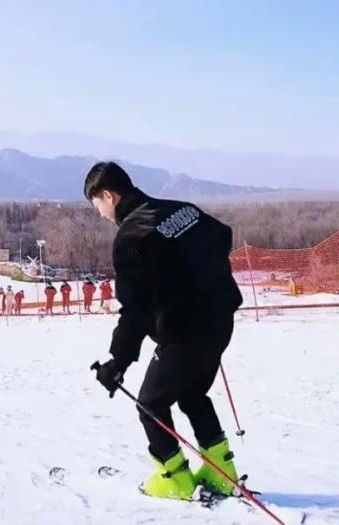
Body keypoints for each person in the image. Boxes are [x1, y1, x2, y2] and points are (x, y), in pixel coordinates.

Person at [85, 161, 243, 500]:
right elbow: (223, 236)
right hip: (220, 321)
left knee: (150, 405)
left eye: (96, 204)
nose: (99, 213)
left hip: (186, 333)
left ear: (109, 195)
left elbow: (135, 311)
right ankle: (222, 472)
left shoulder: (131, 238)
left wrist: (117, 363)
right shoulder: (181, 209)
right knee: (192, 394)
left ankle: (176, 480)